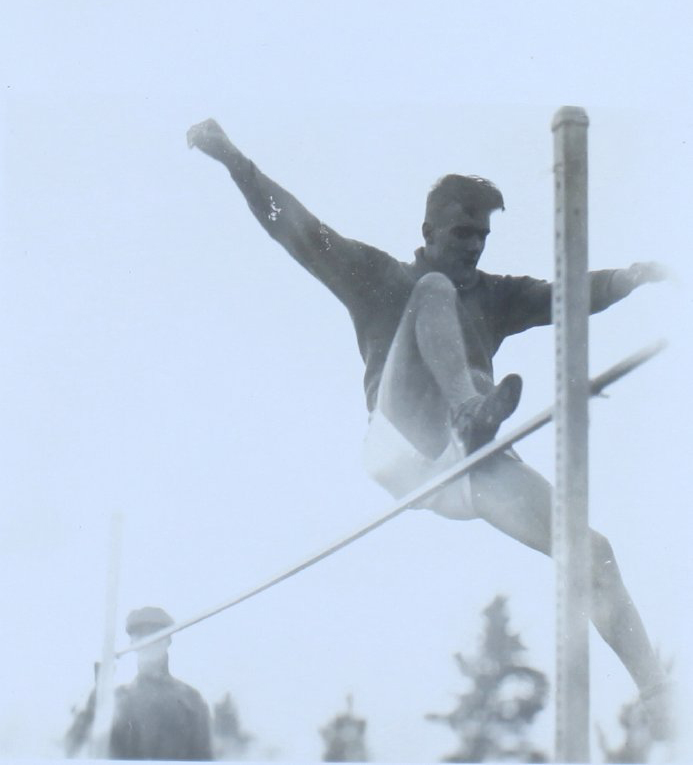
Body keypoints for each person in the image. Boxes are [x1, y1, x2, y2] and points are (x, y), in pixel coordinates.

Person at [186, 117, 671, 736]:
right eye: (462, 233)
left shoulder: (495, 293)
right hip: (404, 440)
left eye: (482, 238)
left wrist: (627, 278)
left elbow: (565, 295)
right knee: (435, 290)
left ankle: (658, 693)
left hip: (465, 466)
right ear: (428, 231)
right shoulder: (379, 276)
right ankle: (470, 407)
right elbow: (296, 228)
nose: (473, 247)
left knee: (592, 550)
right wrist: (232, 159)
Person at [66, 607, 213, 760]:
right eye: (141, 635)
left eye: (155, 633)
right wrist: (98, 692)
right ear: (132, 643)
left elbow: (205, 758)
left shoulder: (191, 700)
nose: (148, 641)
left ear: (168, 640)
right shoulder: (116, 699)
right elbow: (73, 748)